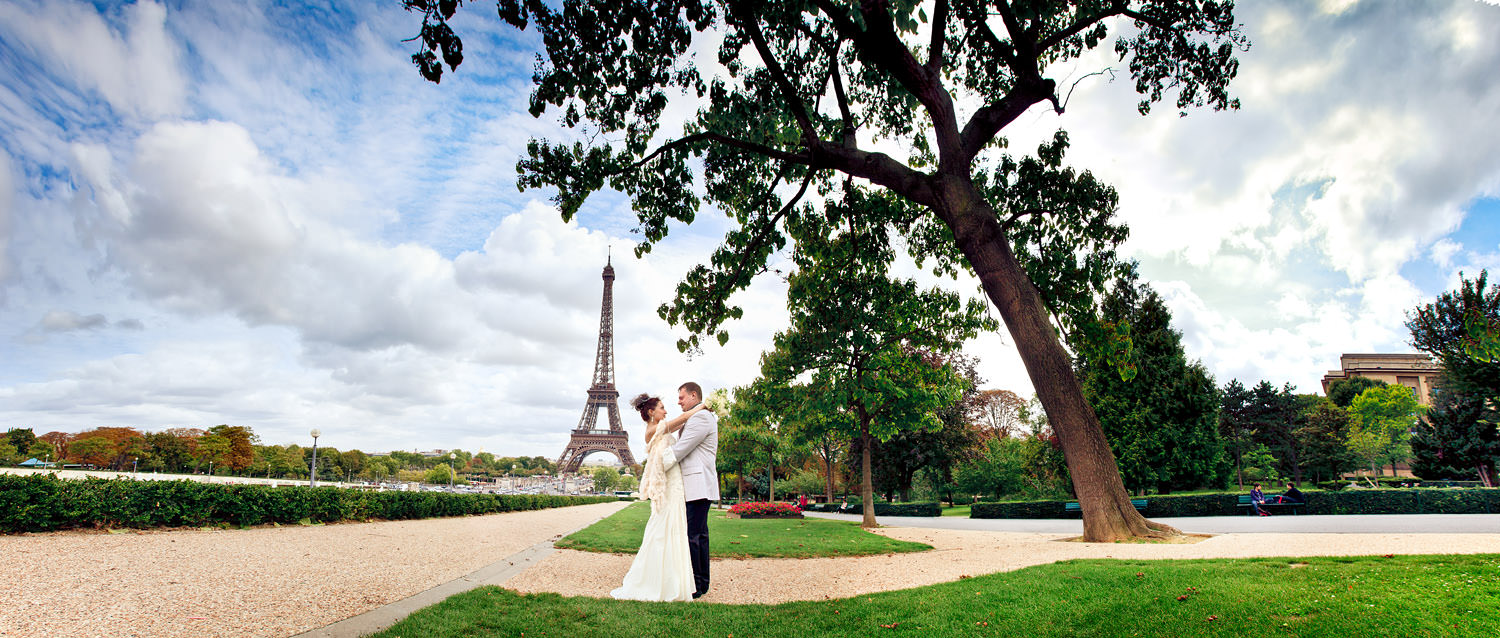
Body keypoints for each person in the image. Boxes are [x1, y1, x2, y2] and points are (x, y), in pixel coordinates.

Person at [609, 393, 707, 602]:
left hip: (674, 485)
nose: (666, 410)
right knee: (664, 531)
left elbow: (682, 427)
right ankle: (664, 582)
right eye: (662, 407)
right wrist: (704, 406)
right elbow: (682, 420)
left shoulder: (660, 429)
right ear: (651, 412)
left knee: (672, 530)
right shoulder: (654, 430)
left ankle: (671, 582)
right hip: (669, 488)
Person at [672, 381, 719, 600]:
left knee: (695, 536)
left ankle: (698, 584)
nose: (678, 401)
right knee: (698, 534)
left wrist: (656, 461)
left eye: (681, 397)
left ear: (693, 395)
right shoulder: (698, 416)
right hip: (698, 484)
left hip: (698, 485)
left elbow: (681, 449)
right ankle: (701, 582)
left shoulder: (700, 417)